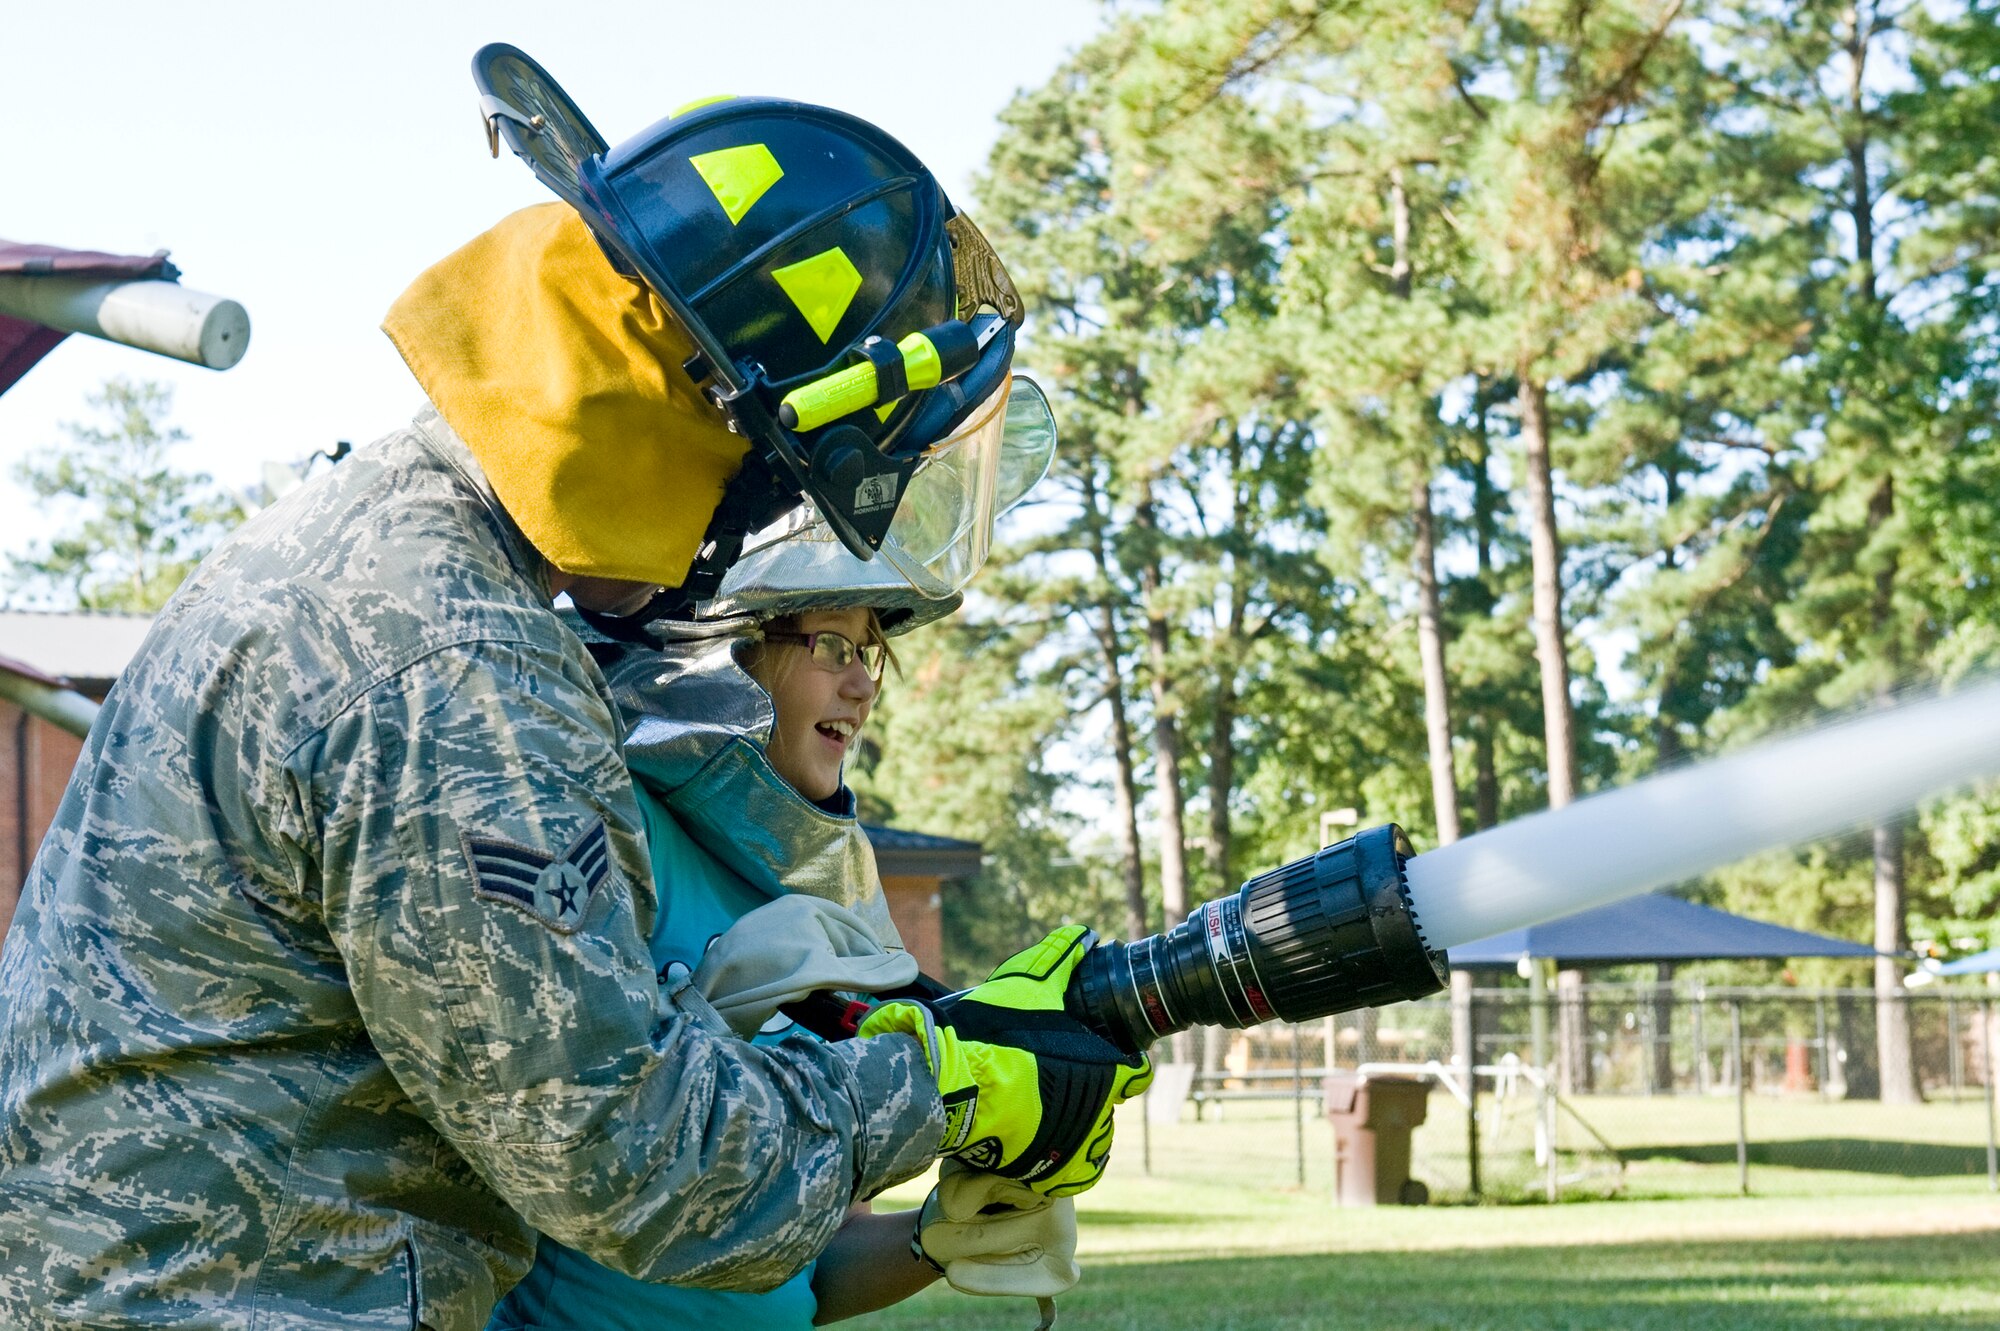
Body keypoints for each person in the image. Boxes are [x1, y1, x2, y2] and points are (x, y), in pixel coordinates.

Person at [0, 46, 1145, 1330]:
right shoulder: (462, 671)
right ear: (709, 433)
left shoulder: (365, 541)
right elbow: (631, 1159)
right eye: (783, 487)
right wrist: (947, 1078)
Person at [495, 486, 1077, 1330]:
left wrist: (941, 1239)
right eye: (834, 644)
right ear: (723, 650)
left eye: (870, 654)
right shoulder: (612, 830)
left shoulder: (822, 889)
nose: (862, 685)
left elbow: (810, 1262)